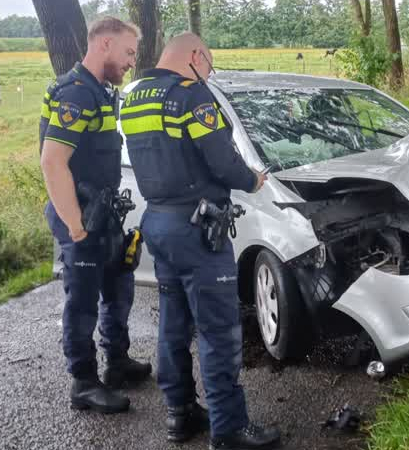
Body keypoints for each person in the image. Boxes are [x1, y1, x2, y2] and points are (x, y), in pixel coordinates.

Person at [120, 33, 280, 449]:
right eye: (208, 64)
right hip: (198, 229)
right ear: (194, 56)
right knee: (218, 331)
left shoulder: (135, 98)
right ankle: (228, 429)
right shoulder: (192, 96)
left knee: (173, 325)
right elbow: (222, 161)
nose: (209, 73)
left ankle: (180, 414)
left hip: (158, 221)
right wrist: (253, 179)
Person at [39, 16, 152, 414]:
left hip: (104, 213)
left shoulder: (100, 91)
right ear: (104, 44)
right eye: (128, 53)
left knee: (117, 288)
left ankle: (117, 363)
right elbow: (53, 162)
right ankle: (84, 383)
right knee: (83, 301)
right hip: (82, 217)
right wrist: (75, 225)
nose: (130, 62)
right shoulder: (77, 93)